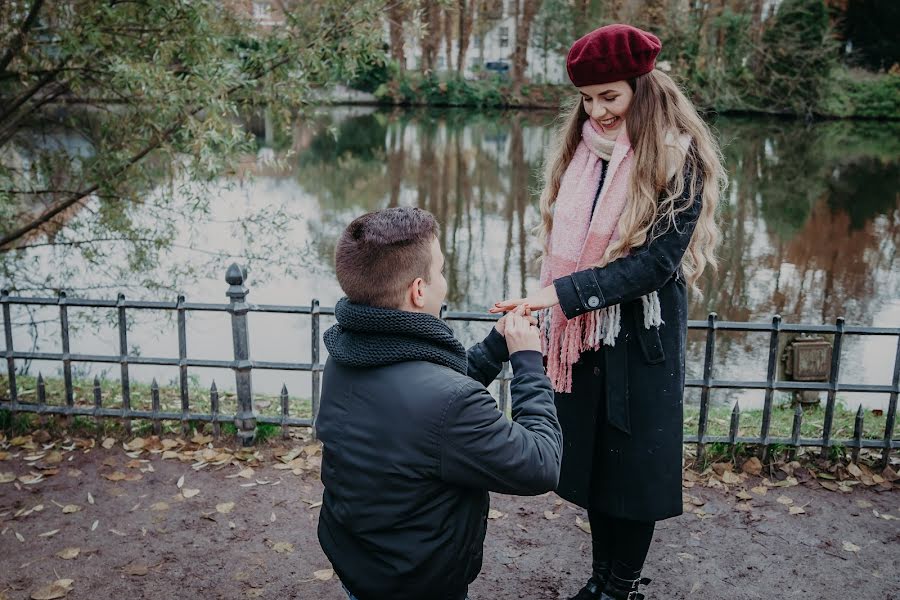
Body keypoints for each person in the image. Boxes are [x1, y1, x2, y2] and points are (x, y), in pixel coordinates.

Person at [490, 24, 724, 600]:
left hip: (642, 337)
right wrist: (558, 297)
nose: (597, 111)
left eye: (610, 97)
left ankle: (620, 588)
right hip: (588, 335)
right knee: (597, 468)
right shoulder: (581, 153)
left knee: (633, 474)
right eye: (588, 99)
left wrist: (558, 295)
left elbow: (655, 265)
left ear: (643, 89)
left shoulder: (678, 160)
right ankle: (600, 582)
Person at [317, 206, 563, 600]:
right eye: (442, 271)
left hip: (357, 558)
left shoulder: (346, 356)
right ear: (418, 290)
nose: (444, 282)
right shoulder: (450, 403)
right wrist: (528, 362)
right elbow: (541, 463)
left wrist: (494, 348)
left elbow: (422, 413)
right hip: (419, 581)